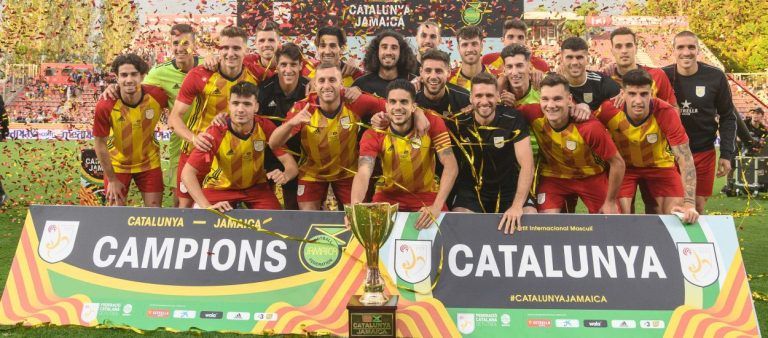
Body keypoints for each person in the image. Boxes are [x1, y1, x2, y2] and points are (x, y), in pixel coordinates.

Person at [269, 63, 429, 210]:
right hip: (312, 173)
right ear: (314, 85)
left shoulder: (356, 101)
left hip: (347, 173)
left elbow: (392, 105)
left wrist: (419, 112)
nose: (327, 85)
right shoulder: (303, 108)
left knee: (354, 215)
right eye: (322, 81)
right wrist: (291, 123)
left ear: (341, 83)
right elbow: (274, 143)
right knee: (308, 216)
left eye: (332, 80)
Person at [101, 23, 202, 207]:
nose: (180, 48)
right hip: (180, 145)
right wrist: (115, 87)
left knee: (215, 194)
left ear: (194, 45)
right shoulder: (159, 73)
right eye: (175, 43)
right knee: (180, 202)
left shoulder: (208, 67)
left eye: (186, 43)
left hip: (211, 141)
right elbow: (135, 87)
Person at [169, 26, 267, 208]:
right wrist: (194, 138)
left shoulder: (255, 74)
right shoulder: (200, 75)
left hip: (230, 157)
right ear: (218, 49)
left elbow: (287, 69)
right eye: (225, 48)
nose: (230, 53)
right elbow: (174, 118)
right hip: (196, 151)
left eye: (236, 48)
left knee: (225, 211)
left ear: (246, 50)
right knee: (185, 208)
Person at [594, 69, 698, 223]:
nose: (638, 101)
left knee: (676, 213)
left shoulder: (665, 112)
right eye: (632, 94)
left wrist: (689, 204)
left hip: (660, 167)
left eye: (643, 94)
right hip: (625, 168)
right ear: (622, 94)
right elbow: (586, 130)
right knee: (619, 216)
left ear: (652, 93)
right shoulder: (608, 110)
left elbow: (685, 158)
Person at [352, 79, 457, 229]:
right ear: (386, 106)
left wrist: (436, 206)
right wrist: (356, 204)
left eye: (403, 102)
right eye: (393, 102)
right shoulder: (373, 133)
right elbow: (363, 171)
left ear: (414, 106)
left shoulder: (432, 123)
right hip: (387, 196)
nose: (398, 107)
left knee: (443, 237)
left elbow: (451, 165)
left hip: (427, 195)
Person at [517, 74, 625, 214]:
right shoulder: (532, 113)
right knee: (544, 224)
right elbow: (504, 113)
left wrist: (610, 202)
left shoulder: (589, 128)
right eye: (545, 99)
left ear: (569, 99)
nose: (550, 105)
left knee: (611, 218)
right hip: (554, 177)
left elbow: (618, 163)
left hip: (591, 177)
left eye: (557, 99)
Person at [181, 82, 297, 212]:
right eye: (236, 103)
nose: (240, 109)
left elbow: (291, 165)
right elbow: (187, 173)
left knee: (276, 222)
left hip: (256, 188)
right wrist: (207, 206)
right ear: (229, 105)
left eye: (247, 104)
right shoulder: (216, 132)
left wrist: (286, 175)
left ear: (256, 107)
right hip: (219, 188)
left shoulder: (265, 127)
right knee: (202, 219)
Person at [450, 73, 536, 235]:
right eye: (479, 95)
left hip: (509, 189)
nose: (484, 101)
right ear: (471, 98)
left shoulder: (513, 119)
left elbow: (527, 165)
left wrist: (517, 205)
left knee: (530, 217)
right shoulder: (458, 122)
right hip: (472, 191)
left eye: (489, 95)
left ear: (497, 96)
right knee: (458, 221)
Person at [662, 30, 737, 213]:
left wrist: (726, 154)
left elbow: (728, 116)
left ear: (698, 50)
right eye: (681, 47)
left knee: (697, 207)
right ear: (673, 50)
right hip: (671, 153)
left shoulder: (715, 76)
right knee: (672, 207)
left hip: (703, 152)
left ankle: (692, 243)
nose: (686, 52)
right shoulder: (662, 75)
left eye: (691, 47)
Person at [92, 53, 169, 207]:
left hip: (149, 163)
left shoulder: (157, 96)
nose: (129, 80)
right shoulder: (105, 105)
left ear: (142, 76)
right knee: (115, 217)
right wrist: (112, 179)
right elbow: (99, 144)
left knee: (154, 215)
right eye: (124, 75)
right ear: (117, 77)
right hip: (117, 166)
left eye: (134, 74)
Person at [257, 43, 309, 210]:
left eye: (293, 65)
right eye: (284, 64)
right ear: (277, 66)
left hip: (298, 154)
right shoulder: (264, 90)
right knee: (265, 206)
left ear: (301, 66)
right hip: (269, 151)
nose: (288, 70)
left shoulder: (310, 89)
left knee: (293, 205)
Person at [559, 37, 621, 111]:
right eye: (569, 57)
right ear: (561, 59)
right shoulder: (554, 84)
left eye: (579, 57)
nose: (574, 62)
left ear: (587, 59)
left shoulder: (602, 82)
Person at [353, 29, 418, 97]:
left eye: (394, 48)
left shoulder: (414, 83)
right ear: (377, 52)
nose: (388, 52)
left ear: (401, 53)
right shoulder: (361, 84)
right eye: (384, 47)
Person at [416, 48, 471, 120]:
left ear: (448, 72)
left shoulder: (465, 99)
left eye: (439, 71)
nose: (433, 76)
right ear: (421, 72)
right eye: (428, 71)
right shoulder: (411, 98)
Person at [482, 18, 550, 74]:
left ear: (525, 41)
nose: (515, 41)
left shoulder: (540, 66)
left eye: (520, 37)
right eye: (510, 37)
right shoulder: (487, 60)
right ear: (503, 40)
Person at [449, 25, 491, 90]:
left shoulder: (498, 77)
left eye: (474, 44)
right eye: (465, 45)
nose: (470, 49)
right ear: (458, 48)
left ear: (481, 46)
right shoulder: (448, 80)